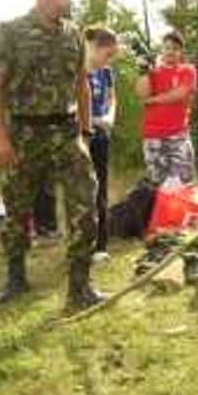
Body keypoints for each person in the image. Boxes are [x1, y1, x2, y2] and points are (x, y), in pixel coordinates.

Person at [0, 0, 105, 308]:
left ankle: (80, 286)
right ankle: (15, 276)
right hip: (24, 131)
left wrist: (85, 129)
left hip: (67, 131)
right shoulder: (9, 33)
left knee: (85, 203)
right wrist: (1, 137)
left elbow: (81, 84)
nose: (64, 2)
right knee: (16, 206)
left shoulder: (73, 34)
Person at [135, 31, 198, 185]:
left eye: (175, 48)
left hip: (178, 135)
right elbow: (142, 94)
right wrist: (144, 70)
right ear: (162, 50)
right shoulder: (153, 72)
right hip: (153, 135)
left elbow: (180, 94)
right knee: (156, 184)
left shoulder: (188, 70)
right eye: (167, 48)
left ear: (180, 52)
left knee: (183, 182)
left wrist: (153, 100)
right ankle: (158, 209)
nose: (171, 51)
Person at [84, 25, 119, 262]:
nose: (109, 60)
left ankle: (100, 244)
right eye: (107, 54)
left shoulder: (105, 72)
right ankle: (82, 243)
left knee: (101, 188)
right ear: (93, 47)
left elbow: (112, 98)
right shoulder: (78, 71)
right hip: (82, 137)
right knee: (84, 190)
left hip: (102, 136)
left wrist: (108, 118)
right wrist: (93, 120)